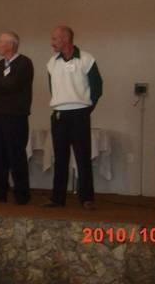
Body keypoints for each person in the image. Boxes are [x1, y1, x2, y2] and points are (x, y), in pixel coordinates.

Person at [43, 26, 103, 210]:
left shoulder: (86, 59)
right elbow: (53, 89)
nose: (51, 42)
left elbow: (97, 87)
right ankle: (57, 198)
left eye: (55, 39)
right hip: (59, 114)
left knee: (82, 157)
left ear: (65, 39)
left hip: (80, 113)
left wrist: (85, 110)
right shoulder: (52, 63)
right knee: (60, 157)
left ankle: (86, 198)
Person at [0, 32, 33, 205]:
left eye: (1, 42)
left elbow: (14, 84)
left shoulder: (24, 63)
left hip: (16, 116)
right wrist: (1, 85)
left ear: (11, 45)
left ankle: (21, 194)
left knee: (16, 154)